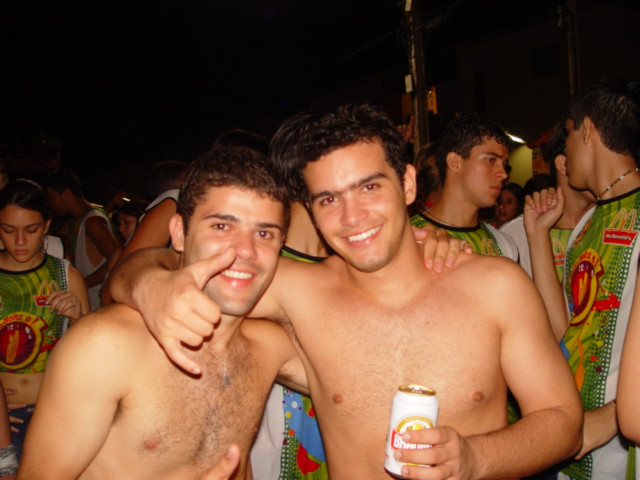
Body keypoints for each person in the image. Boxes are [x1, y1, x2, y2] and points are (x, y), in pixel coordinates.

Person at [111, 105, 582, 480]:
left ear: (408, 184)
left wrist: (475, 458)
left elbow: (563, 420)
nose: (352, 217)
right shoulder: (298, 291)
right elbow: (153, 267)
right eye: (329, 199)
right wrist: (153, 285)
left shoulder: (496, 286)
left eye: (369, 187)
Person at [18, 147, 306, 480]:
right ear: (179, 233)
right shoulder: (105, 345)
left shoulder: (269, 348)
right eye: (222, 226)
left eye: (264, 233)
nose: (246, 251)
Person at [525, 79, 640, 480]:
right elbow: (567, 331)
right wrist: (537, 237)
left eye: (570, 134)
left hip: (625, 450)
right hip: (577, 443)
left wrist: (615, 415)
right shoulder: (588, 223)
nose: (563, 153)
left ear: (587, 129)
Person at [0, 179, 89, 459]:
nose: (20, 241)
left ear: (47, 225)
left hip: (52, 412)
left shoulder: (65, 276)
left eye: (31, 229)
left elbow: (91, 355)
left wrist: (78, 318)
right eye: (8, 230)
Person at [411, 114, 519, 260]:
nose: (503, 174)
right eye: (491, 160)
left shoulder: (504, 245)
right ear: (455, 162)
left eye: (504, 164)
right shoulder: (409, 238)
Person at [42, 169, 120, 310]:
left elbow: (117, 257)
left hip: (97, 306)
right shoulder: (79, 221)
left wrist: (80, 284)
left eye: (51, 197)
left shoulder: (92, 221)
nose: (50, 203)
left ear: (66, 193)